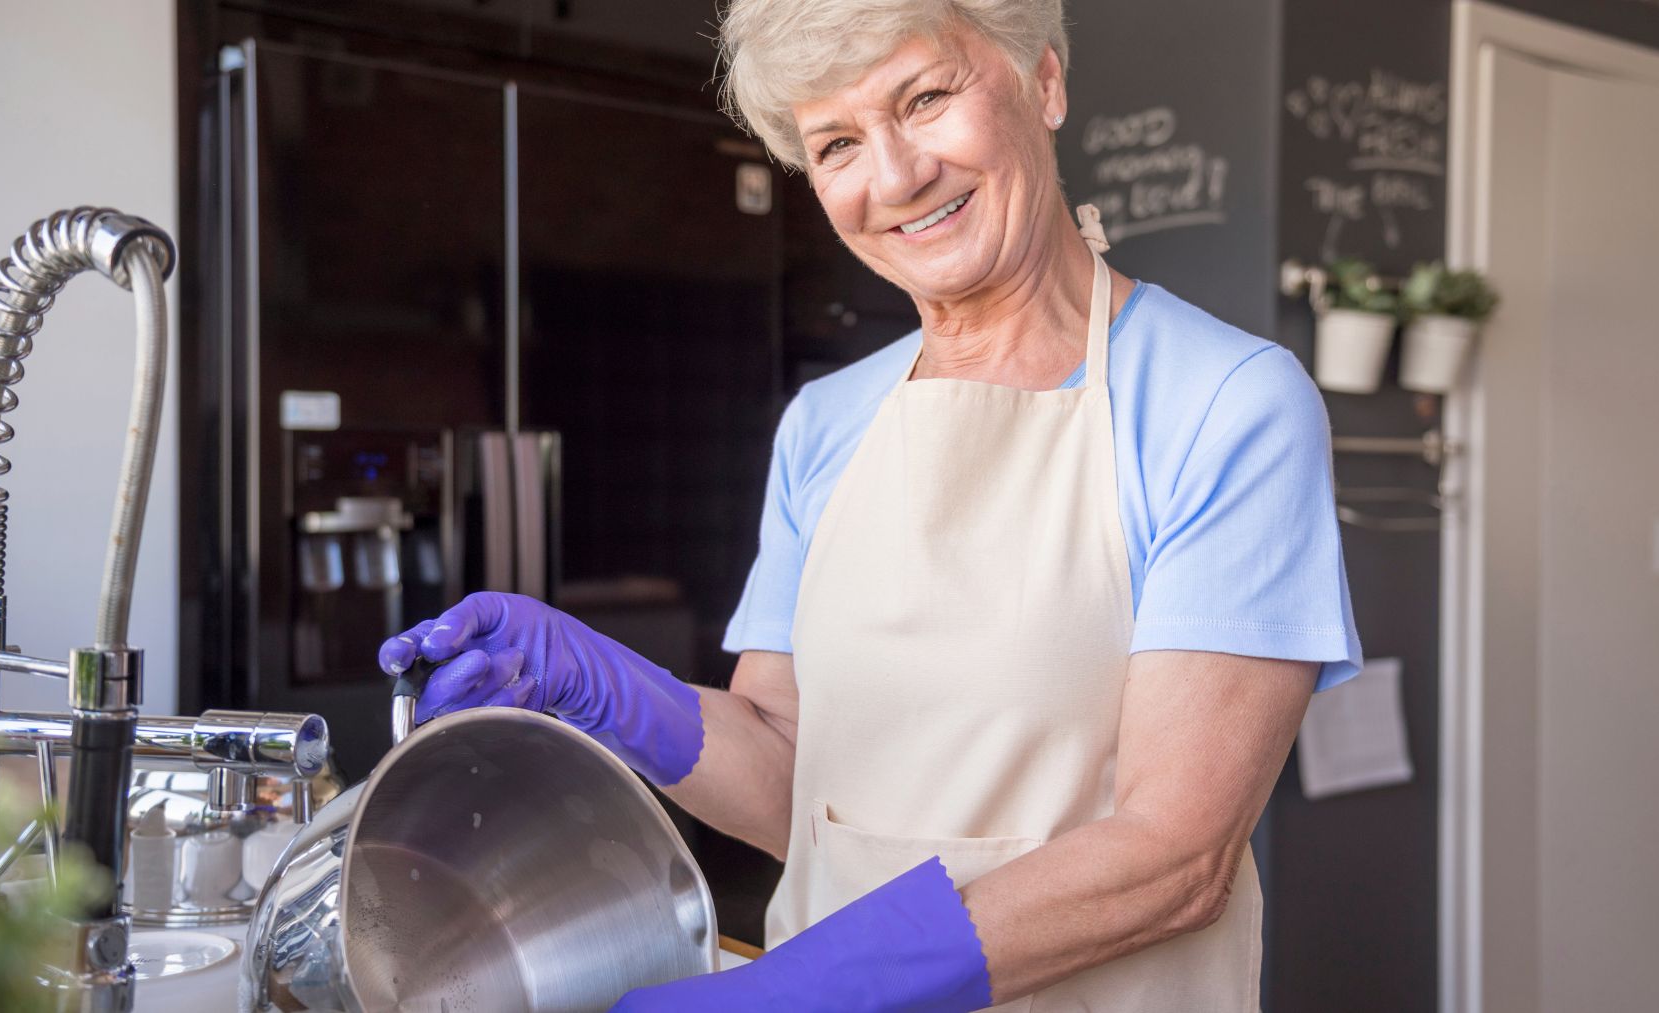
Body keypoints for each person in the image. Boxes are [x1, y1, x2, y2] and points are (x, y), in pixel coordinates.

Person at [377, 1, 1361, 1008]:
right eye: (838, 142)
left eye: (926, 98)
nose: (894, 178)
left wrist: (788, 993)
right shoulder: (826, 422)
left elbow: (1174, 856)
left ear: (1046, 84)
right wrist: (597, 683)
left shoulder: (1224, 404)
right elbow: (799, 789)